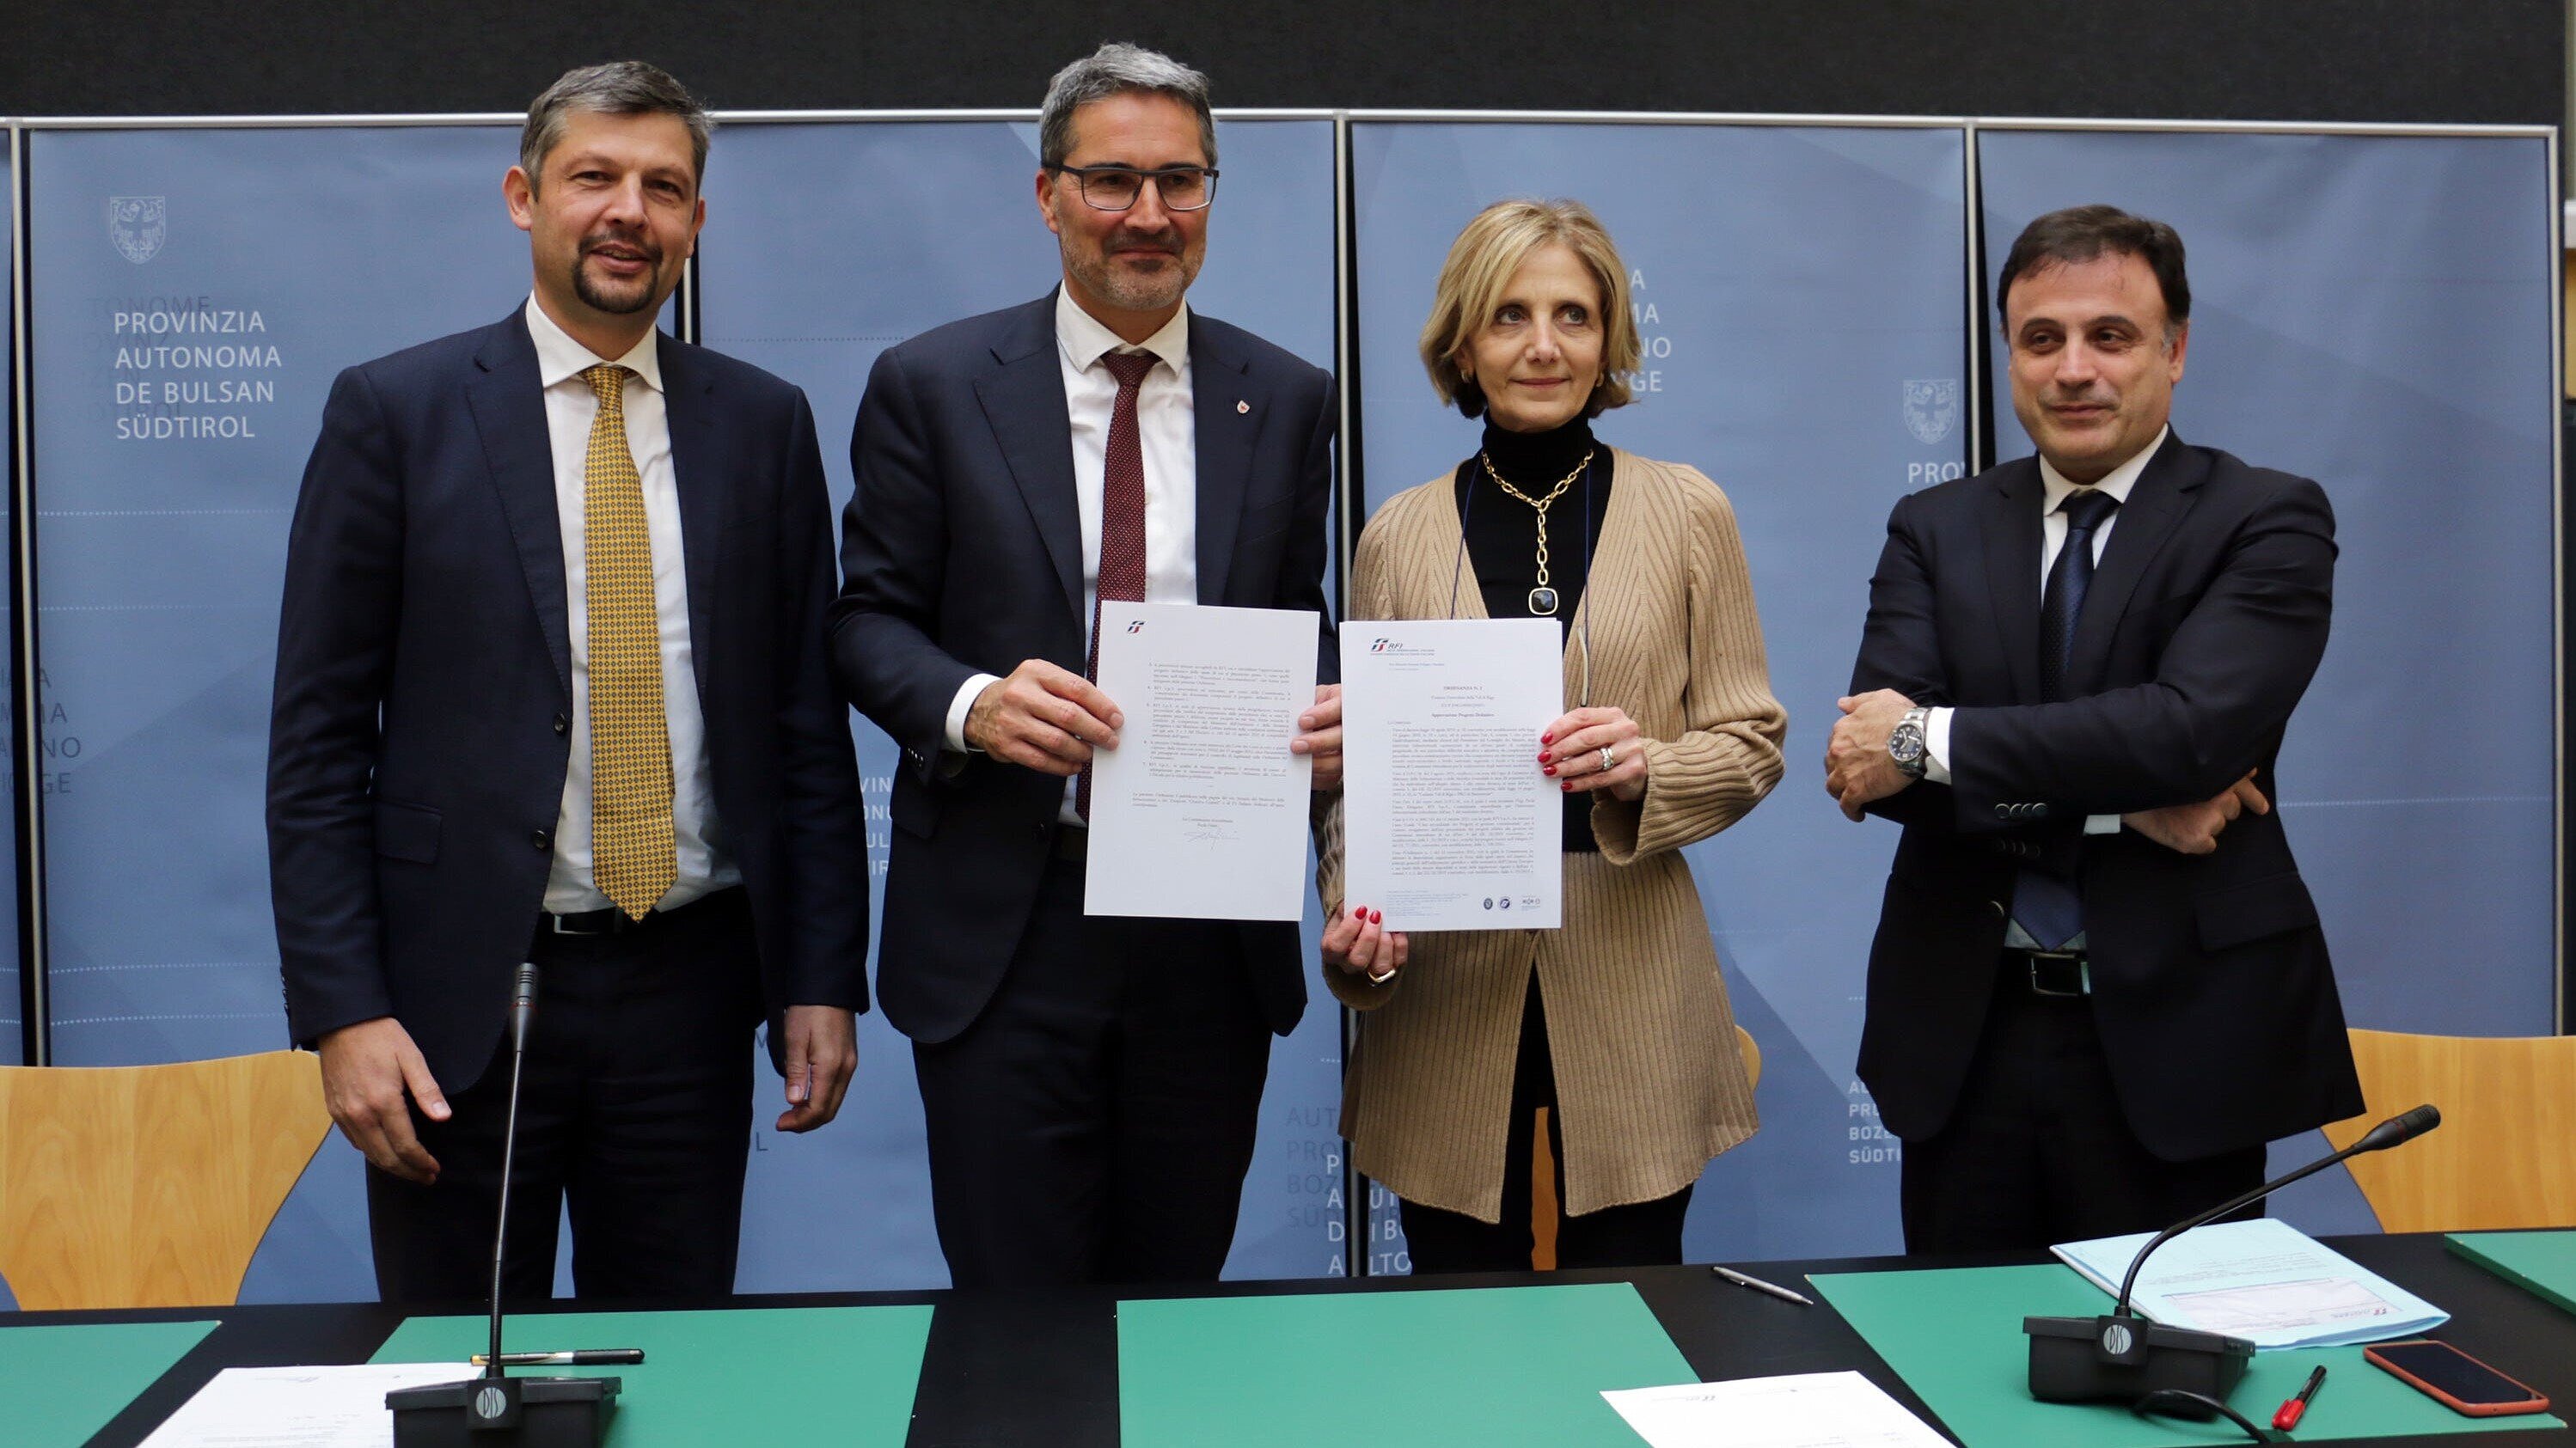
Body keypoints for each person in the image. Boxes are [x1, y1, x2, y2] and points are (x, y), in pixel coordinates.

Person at [268, 61, 868, 1301]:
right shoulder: (396, 413)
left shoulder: (764, 424)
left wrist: (819, 978)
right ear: (523, 196)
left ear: (697, 220)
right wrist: (343, 1010)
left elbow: (803, 729)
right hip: (456, 1003)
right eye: (594, 177)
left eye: (664, 187)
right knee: (451, 1361)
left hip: (691, 990)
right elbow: (318, 747)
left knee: (674, 1358)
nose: (628, 212)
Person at [830, 43, 1339, 1287]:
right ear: (1048, 194)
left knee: (1176, 1303)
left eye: (1181, 181)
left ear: (1211, 195)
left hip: (1206, 934)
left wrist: (1331, 707)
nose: (1148, 214)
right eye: (1112, 180)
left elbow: (1296, 617)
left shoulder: (1284, 398)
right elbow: (867, 622)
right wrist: (973, 704)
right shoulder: (934, 385)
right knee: (1016, 1317)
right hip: (1010, 926)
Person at [1825, 204, 2365, 1254]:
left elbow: (2186, 736)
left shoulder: (2265, 517)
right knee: (1957, 1345)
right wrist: (2120, 811)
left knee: (2172, 1347)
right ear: (2010, 356)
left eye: (2109, 336)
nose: (2074, 369)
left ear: (2175, 349)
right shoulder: (1934, 527)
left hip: (2181, 1044)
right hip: (1964, 1040)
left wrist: (1932, 738)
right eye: (2043, 338)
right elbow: (1870, 767)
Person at [1321, 199, 1786, 1272]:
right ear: (1463, 344)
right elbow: (1356, 778)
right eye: (1510, 315)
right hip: (1441, 994)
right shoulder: (1395, 533)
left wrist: (1647, 766)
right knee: (1455, 1324)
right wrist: (1354, 910)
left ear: (1609, 336)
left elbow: (1752, 741)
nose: (1544, 345)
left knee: (1633, 1313)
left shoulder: (1689, 512)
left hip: (1633, 984)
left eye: (1573, 315)